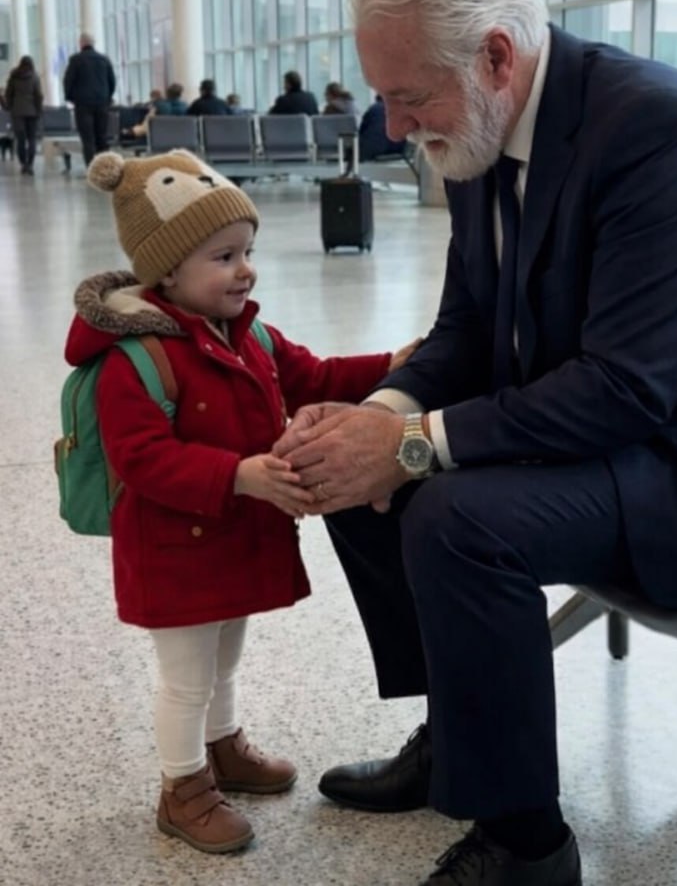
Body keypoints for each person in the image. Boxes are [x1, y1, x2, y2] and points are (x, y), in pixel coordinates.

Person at [271, 0, 677, 886]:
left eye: (407, 97)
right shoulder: (478, 132)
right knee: (359, 463)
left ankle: (527, 846)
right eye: (386, 99)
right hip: (629, 439)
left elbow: (625, 387)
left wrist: (412, 443)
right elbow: (462, 331)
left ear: (496, 55)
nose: (397, 128)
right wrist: (381, 412)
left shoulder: (658, 133)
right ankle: (463, 736)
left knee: (452, 514)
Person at [65, 147, 418, 856]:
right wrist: (238, 475)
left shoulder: (247, 332)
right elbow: (142, 458)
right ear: (167, 270)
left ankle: (223, 749)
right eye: (223, 257)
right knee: (186, 678)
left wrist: (388, 366)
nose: (245, 269)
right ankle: (182, 787)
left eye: (246, 251)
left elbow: (312, 374)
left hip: (226, 540)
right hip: (172, 550)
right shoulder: (134, 359)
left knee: (225, 656)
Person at [63, 33, 116, 166]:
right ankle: (105, 167)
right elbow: (112, 81)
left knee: (88, 139)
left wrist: (70, 97)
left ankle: (92, 168)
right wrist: (107, 97)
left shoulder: (75, 60)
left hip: (83, 105)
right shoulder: (104, 59)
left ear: (81, 44)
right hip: (102, 103)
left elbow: (68, 81)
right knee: (102, 137)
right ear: (93, 43)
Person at [4, 54, 43, 175]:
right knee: (32, 139)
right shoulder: (35, 77)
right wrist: (39, 110)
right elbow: (39, 96)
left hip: (17, 112)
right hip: (32, 112)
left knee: (20, 139)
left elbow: (8, 94)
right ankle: (30, 164)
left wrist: (10, 106)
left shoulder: (14, 76)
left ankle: (23, 164)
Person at [358, 95, 407, 162]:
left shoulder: (375, 109)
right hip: (397, 152)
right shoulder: (401, 108)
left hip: (371, 153)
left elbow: (362, 132)